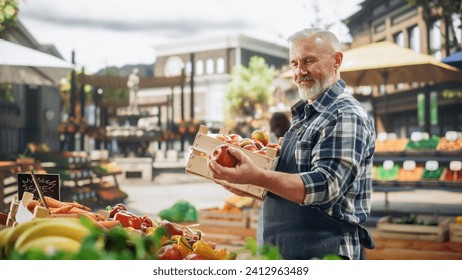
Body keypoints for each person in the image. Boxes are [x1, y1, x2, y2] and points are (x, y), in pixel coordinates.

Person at [208, 28, 376, 260]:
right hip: (287, 253)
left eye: (308, 61)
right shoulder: (306, 115)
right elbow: (290, 186)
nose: (300, 71)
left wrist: (256, 177)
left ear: (337, 60)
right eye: (294, 63)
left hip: (326, 252)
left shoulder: (345, 114)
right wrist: (246, 183)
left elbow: (325, 186)